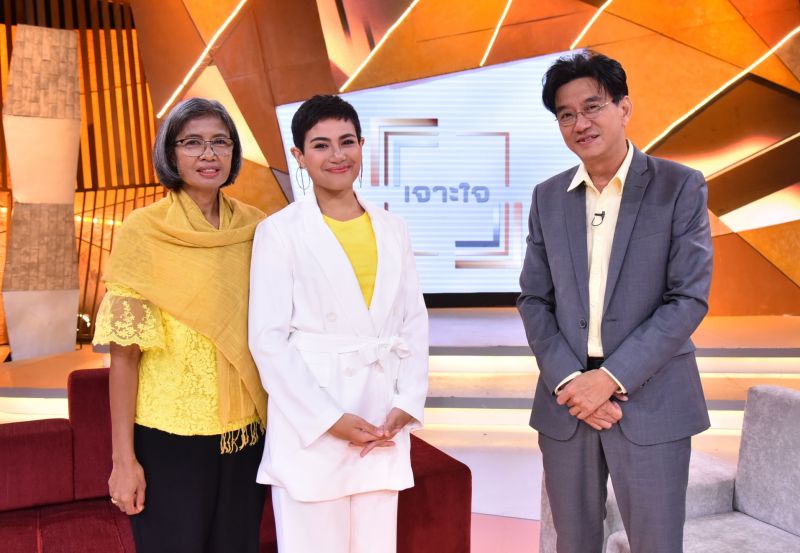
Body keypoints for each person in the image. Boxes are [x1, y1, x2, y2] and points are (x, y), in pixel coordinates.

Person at [517, 52, 713, 553]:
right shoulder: (547, 197)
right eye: (566, 114)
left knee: (656, 543)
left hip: (651, 398)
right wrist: (570, 381)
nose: (580, 123)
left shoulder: (679, 186)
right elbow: (534, 298)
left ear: (624, 107)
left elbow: (687, 298)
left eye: (592, 107)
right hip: (567, 403)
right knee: (573, 543)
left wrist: (608, 379)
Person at [248, 94, 428, 553]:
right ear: (299, 156)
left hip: (380, 421)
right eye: (321, 145)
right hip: (312, 426)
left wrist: (407, 400)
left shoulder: (392, 227)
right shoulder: (279, 231)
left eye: (347, 142)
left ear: (362, 146)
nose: (337, 155)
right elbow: (268, 340)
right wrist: (328, 419)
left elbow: (413, 321)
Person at [93, 98, 268, 553]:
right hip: (167, 438)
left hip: (245, 434)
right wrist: (123, 460)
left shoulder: (258, 229)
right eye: (192, 143)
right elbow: (124, 357)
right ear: (170, 153)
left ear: (233, 152)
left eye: (220, 142)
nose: (208, 154)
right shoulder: (143, 231)